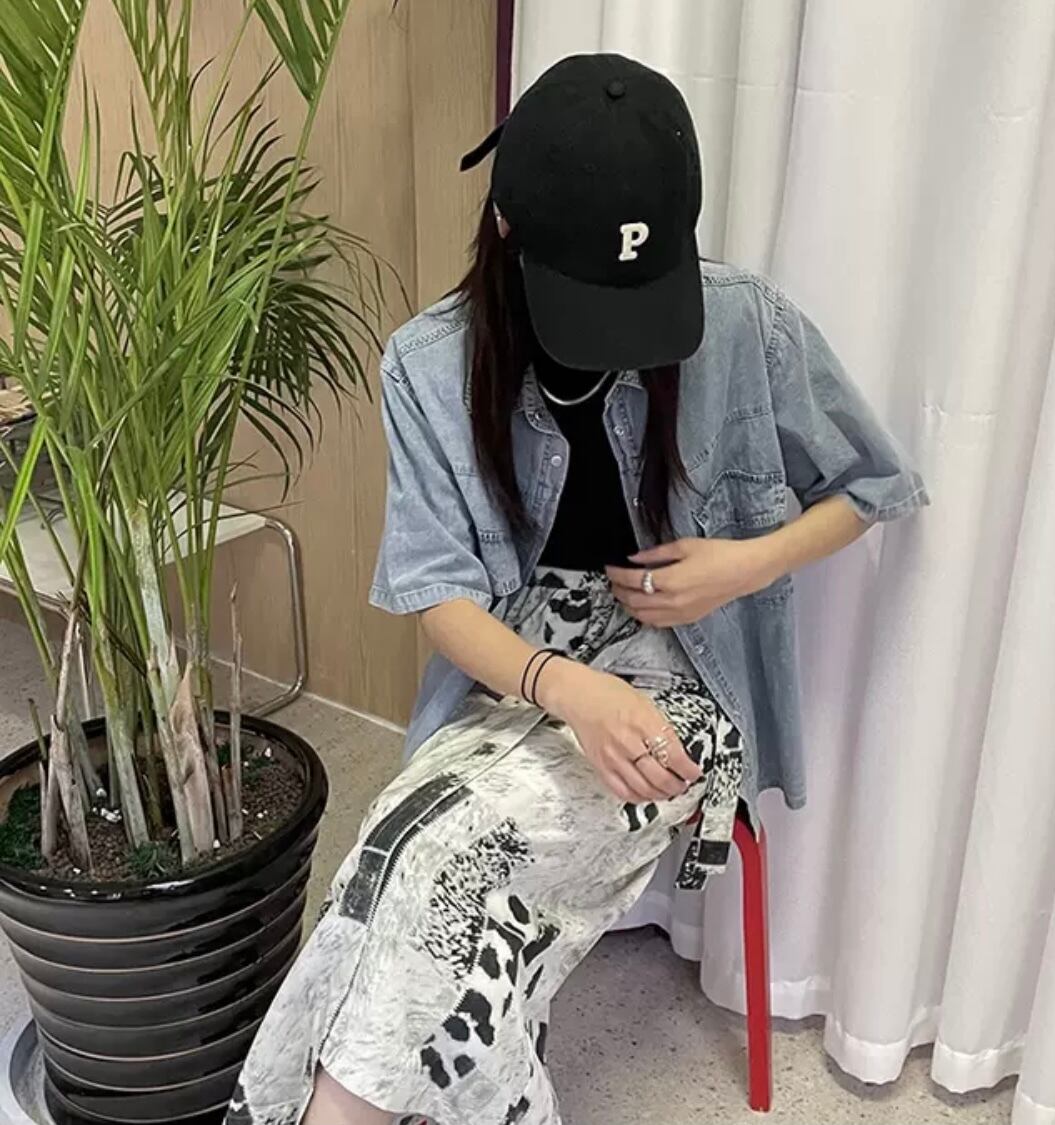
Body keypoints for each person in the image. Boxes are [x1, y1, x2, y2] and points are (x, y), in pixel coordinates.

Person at [225, 52, 928, 1125]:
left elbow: (874, 486)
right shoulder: (430, 364)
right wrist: (568, 688)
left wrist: (743, 563)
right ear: (507, 226)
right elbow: (438, 593)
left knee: (450, 860)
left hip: (689, 676)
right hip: (518, 670)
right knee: (398, 857)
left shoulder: (744, 322)